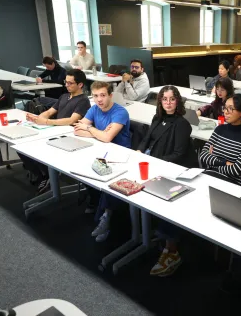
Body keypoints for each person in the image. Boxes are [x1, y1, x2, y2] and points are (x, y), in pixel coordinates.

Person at [142, 86, 196, 277]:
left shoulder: (182, 124)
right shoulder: (158, 118)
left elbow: (179, 154)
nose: (168, 103)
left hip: (175, 172)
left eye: (172, 99)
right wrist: (140, 152)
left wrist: (155, 162)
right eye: (164, 99)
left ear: (178, 101)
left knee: (165, 203)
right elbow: (146, 139)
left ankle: (171, 249)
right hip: (155, 167)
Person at [75, 81, 132, 241]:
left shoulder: (120, 112)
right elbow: (77, 130)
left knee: (109, 182)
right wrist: (99, 133)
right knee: (81, 171)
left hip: (121, 157)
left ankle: (107, 217)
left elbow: (107, 138)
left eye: (102, 95)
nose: (99, 100)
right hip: (100, 152)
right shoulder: (94, 109)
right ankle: (98, 205)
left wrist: (91, 129)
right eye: (95, 96)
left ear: (110, 95)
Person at [19, 69, 90, 192]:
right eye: (65, 82)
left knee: (36, 148)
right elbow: (50, 112)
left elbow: (71, 120)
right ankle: (43, 175)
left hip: (69, 136)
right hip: (56, 131)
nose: (66, 85)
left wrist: (46, 122)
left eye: (70, 83)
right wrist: (38, 118)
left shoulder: (83, 100)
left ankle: (47, 175)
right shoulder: (64, 96)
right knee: (21, 147)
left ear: (80, 85)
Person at [199, 93, 241, 186]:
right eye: (225, 107)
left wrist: (213, 164)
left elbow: (236, 170)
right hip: (208, 176)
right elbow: (203, 156)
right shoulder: (220, 129)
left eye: (231, 108)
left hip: (230, 183)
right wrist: (224, 162)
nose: (225, 112)